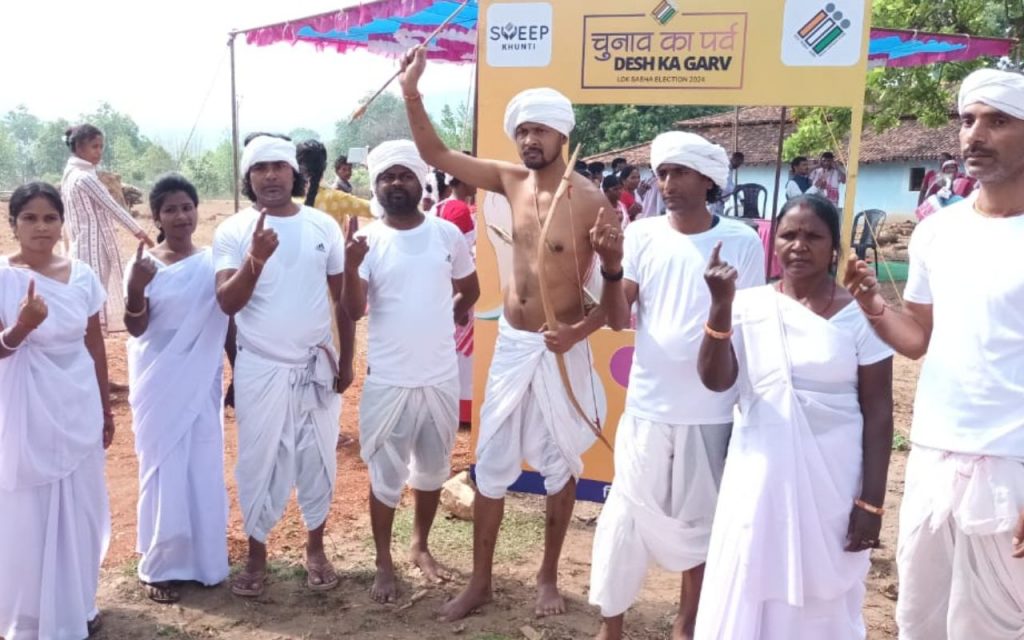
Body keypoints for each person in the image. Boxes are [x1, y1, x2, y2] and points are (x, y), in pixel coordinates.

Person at [399, 47, 616, 621]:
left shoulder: (594, 202)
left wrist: (580, 331)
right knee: (490, 462)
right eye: (521, 131)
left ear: (561, 132)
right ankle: (481, 582)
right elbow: (435, 152)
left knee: (561, 463)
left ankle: (548, 575)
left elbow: (619, 301)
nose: (528, 140)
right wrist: (412, 91)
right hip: (516, 348)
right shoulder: (508, 180)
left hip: (560, 349)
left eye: (538, 130)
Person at [845, 68, 1024, 640]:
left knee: (995, 626)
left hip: (1011, 466)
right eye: (969, 120)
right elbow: (918, 338)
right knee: (918, 620)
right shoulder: (936, 232)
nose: (976, 135)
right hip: (931, 457)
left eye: (998, 121)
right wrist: (873, 303)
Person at [589, 131, 766, 640]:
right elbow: (618, 319)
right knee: (625, 516)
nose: (666, 183)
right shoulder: (642, 234)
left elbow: (745, 323)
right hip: (648, 405)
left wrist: (719, 300)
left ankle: (687, 625)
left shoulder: (742, 240)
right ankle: (612, 626)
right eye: (662, 173)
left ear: (708, 180)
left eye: (679, 173)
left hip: (712, 409)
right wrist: (611, 266)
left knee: (702, 524)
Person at [694, 193, 894, 638]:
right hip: (760, 473)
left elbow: (879, 411)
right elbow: (716, 381)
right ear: (774, 242)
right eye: (788, 235)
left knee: (822, 590)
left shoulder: (862, 316)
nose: (799, 245)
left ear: (833, 248)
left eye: (813, 236)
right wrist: (720, 305)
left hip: (834, 481)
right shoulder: (748, 306)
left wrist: (872, 504)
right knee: (753, 573)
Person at [212, 134, 354, 598]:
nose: (270, 175)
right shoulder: (233, 230)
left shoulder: (321, 226)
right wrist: (255, 259)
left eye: (279, 166)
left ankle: (315, 549)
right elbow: (226, 302)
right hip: (261, 368)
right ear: (248, 178)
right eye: (260, 168)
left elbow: (343, 304)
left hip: (316, 365)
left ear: (296, 174)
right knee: (257, 461)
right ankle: (256, 556)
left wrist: (347, 360)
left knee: (318, 457)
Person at [343, 139, 480, 603]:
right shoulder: (367, 242)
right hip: (390, 380)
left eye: (404, 174)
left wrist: (452, 313)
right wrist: (349, 265)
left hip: (439, 377)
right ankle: (384, 561)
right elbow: (353, 310)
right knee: (385, 475)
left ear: (421, 180)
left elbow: (471, 287)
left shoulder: (447, 234)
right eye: (386, 177)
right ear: (376, 185)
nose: (395, 183)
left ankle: (419, 544)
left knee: (432, 471)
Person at [0, 182, 114, 639]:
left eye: (50, 217)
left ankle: (77, 604)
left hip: (78, 402)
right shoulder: (3, 277)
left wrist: (106, 409)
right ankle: (29, 617)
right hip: (26, 406)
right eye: (30, 217)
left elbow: (95, 342)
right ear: (12, 225)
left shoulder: (82, 275)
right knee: (28, 511)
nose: (41, 227)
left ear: (62, 222)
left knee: (82, 508)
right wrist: (21, 328)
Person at [123, 174, 233, 604]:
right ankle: (160, 563)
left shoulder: (212, 263)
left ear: (197, 210)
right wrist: (135, 286)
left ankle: (205, 561)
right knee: (161, 467)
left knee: (202, 463)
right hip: (158, 379)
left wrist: (237, 371)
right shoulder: (146, 264)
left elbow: (226, 320)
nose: (181, 216)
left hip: (201, 378)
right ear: (157, 217)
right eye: (170, 209)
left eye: (187, 206)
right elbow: (136, 327)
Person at [60, 123, 155, 335]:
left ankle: (90, 334)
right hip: (93, 246)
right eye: (94, 146)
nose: (99, 152)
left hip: (80, 243)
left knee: (87, 294)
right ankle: (93, 336)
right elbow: (114, 208)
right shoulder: (84, 177)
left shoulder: (70, 174)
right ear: (79, 148)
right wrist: (142, 235)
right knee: (94, 295)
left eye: (101, 146)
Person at [435, 167, 479, 427]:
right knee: (463, 354)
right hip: (458, 285)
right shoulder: (460, 211)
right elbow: (454, 257)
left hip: (446, 286)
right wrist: (459, 296)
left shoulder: (441, 206)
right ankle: (461, 410)